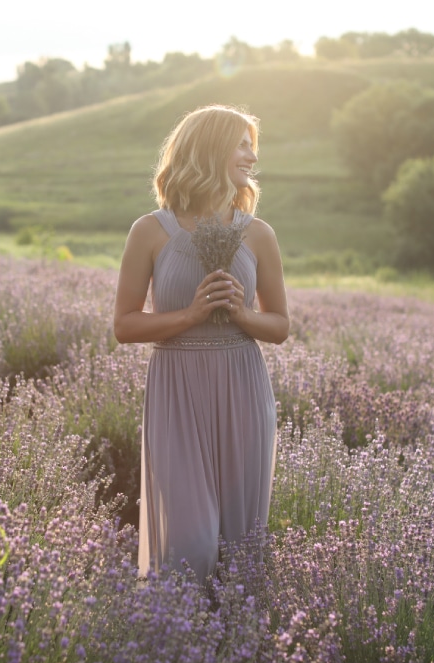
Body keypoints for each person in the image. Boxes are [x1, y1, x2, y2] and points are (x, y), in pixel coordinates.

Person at [113, 104, 290, 582]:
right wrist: (190, 315)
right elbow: (124, 325)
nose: (252, 156)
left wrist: (241, 312)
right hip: (178, 392)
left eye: (254, 145)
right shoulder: (150, 231)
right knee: (189, 547)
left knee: (240, 549)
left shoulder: (259, 234)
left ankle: (233, 646)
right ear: (209, 148)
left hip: (243, 387)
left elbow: (280, 326)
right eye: (242, 144)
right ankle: (172, 644)